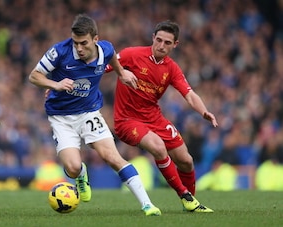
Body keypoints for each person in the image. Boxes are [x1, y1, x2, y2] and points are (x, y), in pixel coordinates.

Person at [28, 14, 161, 216]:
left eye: (83, 43)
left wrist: (122, 73)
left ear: (95, 39)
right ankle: (81, 175)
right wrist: (55, 84)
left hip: (89, 113)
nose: (79, 48)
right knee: (72, 167)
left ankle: (147, 204)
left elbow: (112, 56)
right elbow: (34, 76)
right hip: (61, 117)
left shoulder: (105, 49)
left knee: (113, 157)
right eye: (75, 43)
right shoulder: (59, 52)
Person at [107, 20, 218, 212]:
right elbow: (99, 68)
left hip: (154, 118)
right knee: (158, 147)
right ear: (153, 38)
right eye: (159, 40)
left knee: (186, 160)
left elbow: (189, 94)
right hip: (127, 120)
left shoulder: (171, 68)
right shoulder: (131, 54)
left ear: (175, 44)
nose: (161, 45)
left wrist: (204, 111)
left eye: (167, 42)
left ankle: (191, 203)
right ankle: (185, 196)